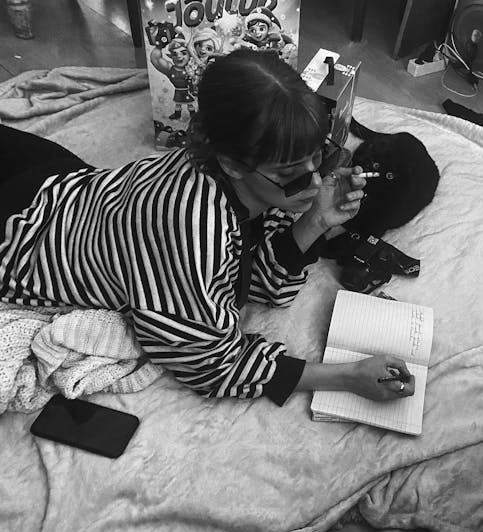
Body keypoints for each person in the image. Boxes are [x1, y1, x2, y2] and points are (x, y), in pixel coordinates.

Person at [0, 49, 415, 406]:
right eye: (291, 170)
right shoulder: (192, 229)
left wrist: (316, 219)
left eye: (319, 158)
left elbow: (259, 279)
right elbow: (211, 364)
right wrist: (346, 377)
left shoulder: (238, 175)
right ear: (232, 162)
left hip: (61, 182)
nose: (314, 179)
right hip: (19, 239)